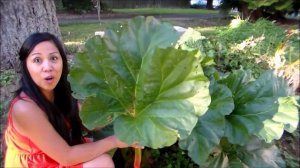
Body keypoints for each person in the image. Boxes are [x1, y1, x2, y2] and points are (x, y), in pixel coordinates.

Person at [3, 32, 138, 167]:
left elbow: (93, 123)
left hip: (58, 153)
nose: (48, 67)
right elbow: (67, 157)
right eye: (37, 60)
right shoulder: (24, 108)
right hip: (38, 163)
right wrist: (114, 141)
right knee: (102, 162)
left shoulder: (61, 93)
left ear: (62, 61)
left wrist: (121, 104)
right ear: (26, 66)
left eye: (54, 58)